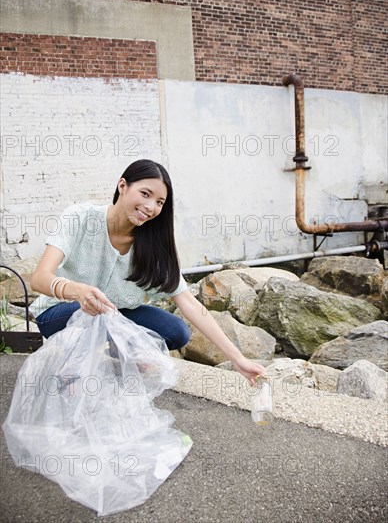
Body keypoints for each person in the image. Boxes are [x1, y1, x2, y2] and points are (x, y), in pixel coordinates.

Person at [30, 159, 266, 386]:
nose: (151, 207)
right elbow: (39, 279)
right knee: (97, 314)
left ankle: (116, 349)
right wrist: (78, 291)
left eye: (160, 202)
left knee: (177, 332)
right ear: (122, 186)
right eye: (145, 194)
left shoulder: (154, 245)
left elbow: (190, 304)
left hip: (113, 314)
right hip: (59, 313)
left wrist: (238, 359)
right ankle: (75, 364)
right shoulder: (80, 217)